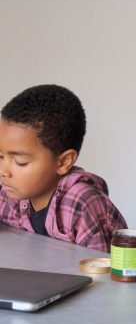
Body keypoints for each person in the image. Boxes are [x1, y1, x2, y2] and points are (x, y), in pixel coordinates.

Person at [0, 84, 127, 252]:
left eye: (21, 162)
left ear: (63, 162)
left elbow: (101, 272)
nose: (4, 171)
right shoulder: (10, 191)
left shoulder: (81, 203)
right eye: (0, 157)